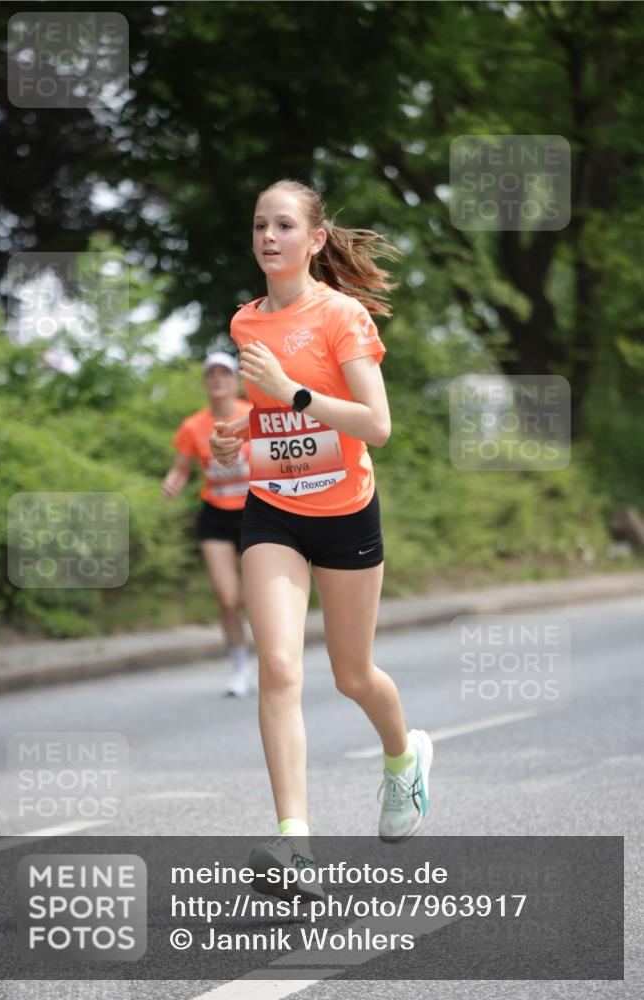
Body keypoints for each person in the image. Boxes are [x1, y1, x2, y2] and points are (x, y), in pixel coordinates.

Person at [209, 179, 433, 896]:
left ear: (313, 239)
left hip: (344, 513)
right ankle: (294, 845)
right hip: (271, 507)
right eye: (258, 225)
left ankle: (403, 762)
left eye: (282, 226)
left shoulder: (341, 316)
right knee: (278, 666)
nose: (268, 237)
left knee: (351, 675)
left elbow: (376, 425)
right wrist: (237, 432)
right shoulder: (245, 323)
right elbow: (271, 409)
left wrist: (291, 389)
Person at [162, 352, 256, 697]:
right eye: (211, 375)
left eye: (224, 374)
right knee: (228, 597)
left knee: (257, 598)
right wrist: (173, 480)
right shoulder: (193, 426)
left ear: (235, 381)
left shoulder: (252, 415)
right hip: (215, 515)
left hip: (256, 513)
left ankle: (272, 663)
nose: (218, 380)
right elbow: (181, 468)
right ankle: (240, 669)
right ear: (205, 383)